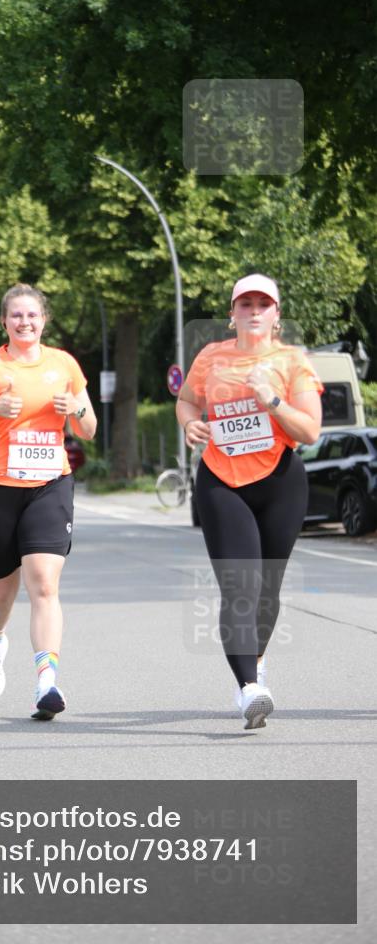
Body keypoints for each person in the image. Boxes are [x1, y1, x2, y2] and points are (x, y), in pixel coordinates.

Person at [176, 274, 323, 730]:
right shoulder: (211, 357)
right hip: (222, 480)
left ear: (276, 315)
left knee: (267, 592)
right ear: (232, 313)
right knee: (240, 586)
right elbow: (185, 400)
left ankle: (255, 661)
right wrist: (189, 425)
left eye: (264, 303)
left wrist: (271, 398)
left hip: (281, 481)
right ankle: (249, 689)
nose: (254, 310)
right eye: (246, 303)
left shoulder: (292, 361)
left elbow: (310, 432)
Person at [0, 283, 97, 720]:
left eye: (32, 315)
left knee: (44, 583)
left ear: (44, 320)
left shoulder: (64, 364)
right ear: (4, 323)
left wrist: (75, 409)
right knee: (1, 588)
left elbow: (88, 430)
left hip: (49, 484)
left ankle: (46, 682)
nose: (25, 322)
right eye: (16, 316)